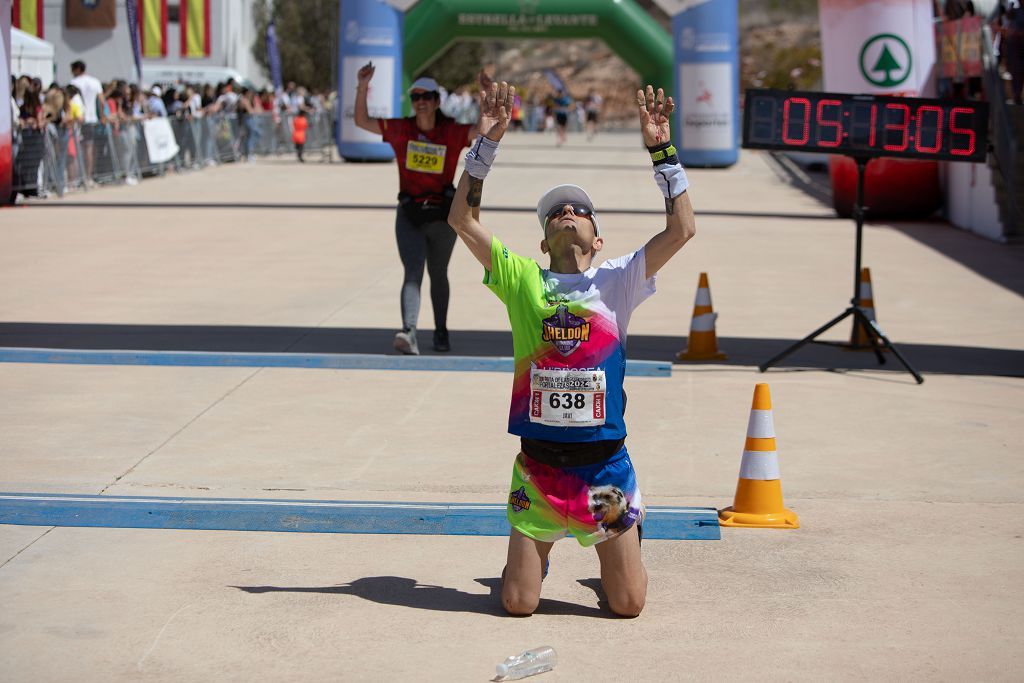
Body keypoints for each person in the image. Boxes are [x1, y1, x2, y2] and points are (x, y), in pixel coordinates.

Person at [448, 82, 696, 617]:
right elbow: (462, 221)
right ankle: (534, 559)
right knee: (517, 604)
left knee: (628, 605)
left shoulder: (618, 282)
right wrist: (485, 145)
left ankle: (624, 540)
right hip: (538, 472)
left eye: (579, 210)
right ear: (542, 241)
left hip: (603, 473)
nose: (566, 211)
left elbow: (682, 229)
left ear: (596, 238)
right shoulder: (522, 281)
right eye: (556, 210)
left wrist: (663, 154)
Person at [354, 62, 490, 355]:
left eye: (426, 96)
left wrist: (484, 95)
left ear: (437, 101)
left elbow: (483, 131)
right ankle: (409, 332)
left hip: (443, 215)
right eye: (415, 98)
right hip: (410, 214)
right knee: (412, 271)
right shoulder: (401, 128)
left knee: (438, 273)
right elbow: (361, 120)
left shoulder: (450, 131)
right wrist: (363, 86)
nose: (421, 102)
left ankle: (441, 331)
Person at [69, 60, 104, 184]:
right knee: (89, 148)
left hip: (77, 120)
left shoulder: (73, 83)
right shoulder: (95, 82)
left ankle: (78, 178)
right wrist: (102, 116)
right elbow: (101, 101)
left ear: (77, 69)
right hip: (91, 119)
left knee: (77, 149)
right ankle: (88, 177)